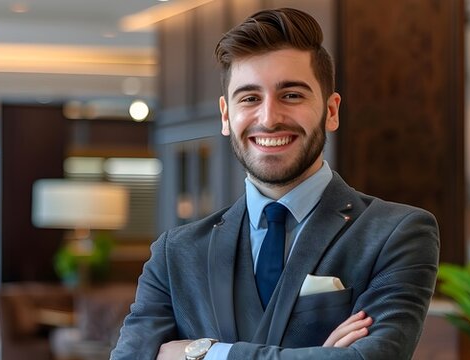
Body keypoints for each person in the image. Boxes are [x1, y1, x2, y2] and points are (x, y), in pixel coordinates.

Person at [110, 8, 439, 360]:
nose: (269, 118)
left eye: (292, 95)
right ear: (226, 115)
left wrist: (203, 353)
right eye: (250, 98)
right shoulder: (175, 253)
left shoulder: (398, 232)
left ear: (331, 111)